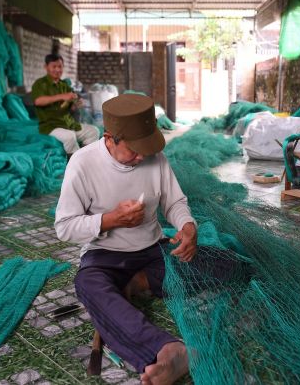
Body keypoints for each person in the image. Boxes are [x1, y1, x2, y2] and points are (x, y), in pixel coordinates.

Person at [55, 93, 197, 385]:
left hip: (152, 250)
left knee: (225, 264)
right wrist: (111, 220)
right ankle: (167, 348)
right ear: (110, 138)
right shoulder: (82, 164)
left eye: (147, 148)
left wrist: (187, 226)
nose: (142, 157)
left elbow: (174, 202)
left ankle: (140, 281)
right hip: (105, 256)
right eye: (134, 150)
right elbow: (65, 227)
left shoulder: (155, 158)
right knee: (89, 285)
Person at [31, 54, 99, 156]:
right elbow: (38, 101)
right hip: (51, 127)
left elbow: (71, 108)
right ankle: (75, 162)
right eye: (54, 67)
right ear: (46, 67)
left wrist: (76, 104)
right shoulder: (40, 83)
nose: (57, 69)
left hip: (68, 124)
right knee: (69, 136)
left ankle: (87, 157)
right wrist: (62, 96)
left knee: (93, 131)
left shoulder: (64, 85)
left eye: (60, 67)